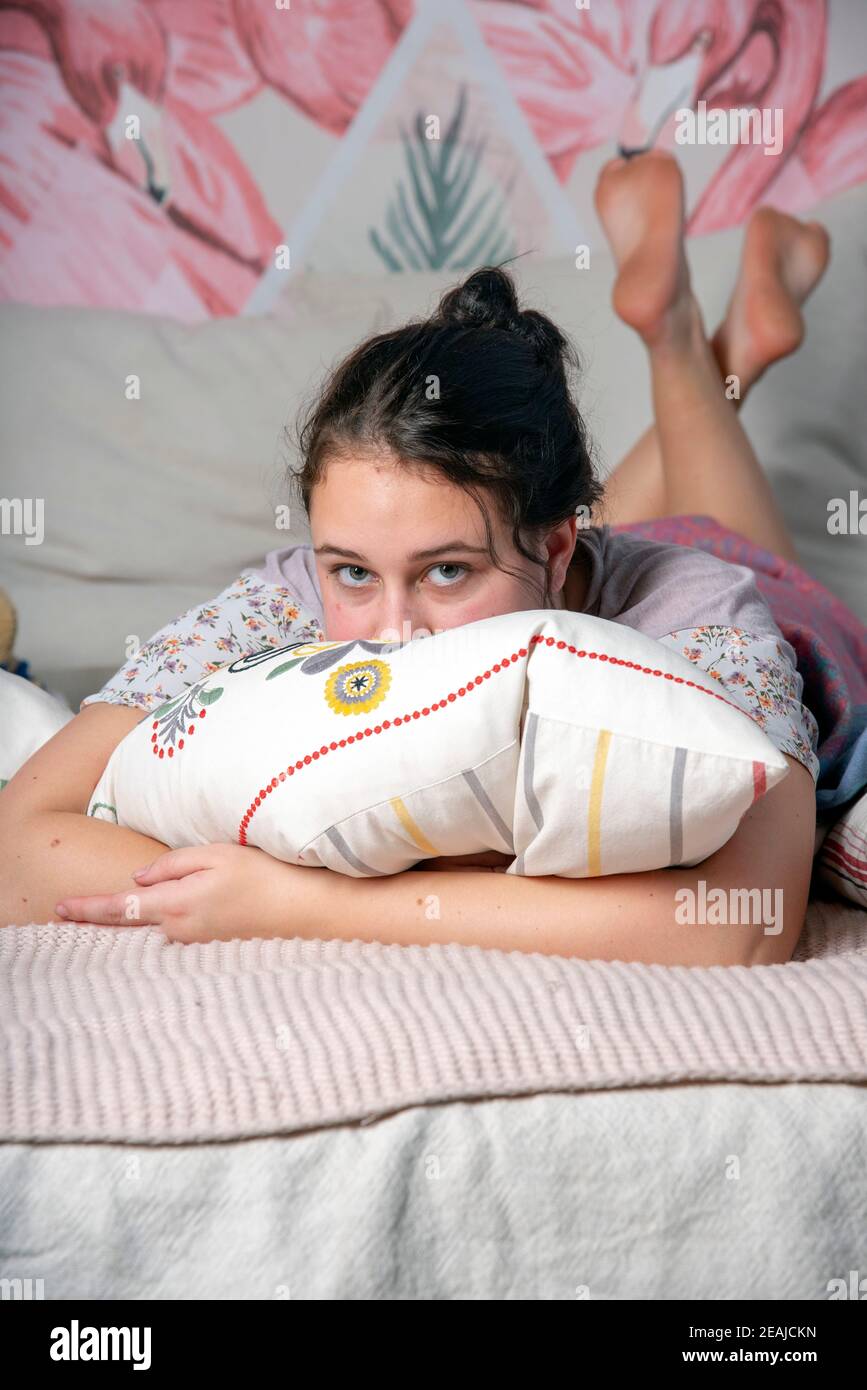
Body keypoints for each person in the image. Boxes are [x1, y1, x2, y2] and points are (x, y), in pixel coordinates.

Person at [3, 152, 862, 966]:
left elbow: (748, 921)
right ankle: (716, 346)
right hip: (560, 544)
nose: (393, 635)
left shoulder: (700, 608)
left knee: (696, 527)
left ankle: (679, 336)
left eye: (446, 571)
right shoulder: (288, 597)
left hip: (766, 587)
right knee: (601, 520)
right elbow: (18, 844)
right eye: (352, 572)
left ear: (558, 548)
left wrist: (312, 905)